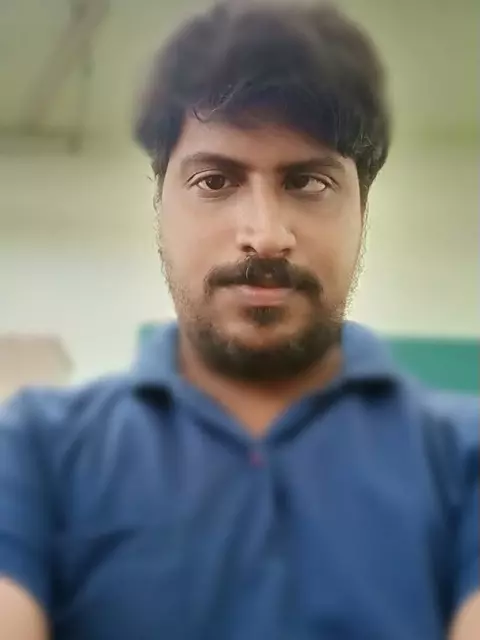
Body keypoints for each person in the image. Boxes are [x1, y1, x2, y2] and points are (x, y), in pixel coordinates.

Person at [0, 1, 478, 638]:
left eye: (307, 182)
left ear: (362, 210)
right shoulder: (34, 449)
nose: (265, 234)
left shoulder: (464, 456)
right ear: (160, 205)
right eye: (215, 181)